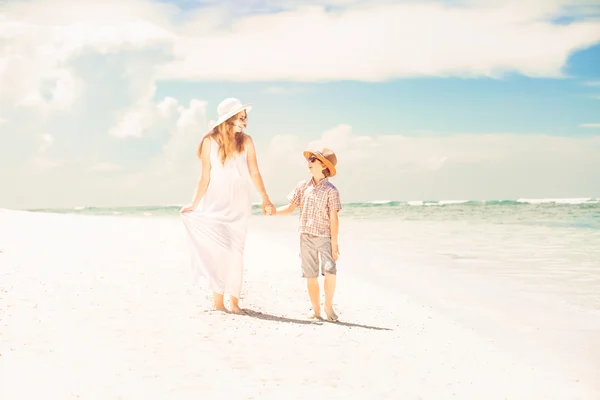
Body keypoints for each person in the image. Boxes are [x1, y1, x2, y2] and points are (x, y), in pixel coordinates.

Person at [180, 98, 275, 314]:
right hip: (215, 200)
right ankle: (218, 302)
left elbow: (254, 172)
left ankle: (234, 302)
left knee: (235, 251)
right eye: (241, 116)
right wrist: (194, 204)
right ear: (229, 118)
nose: (245, 120)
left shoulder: (247, 141)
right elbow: (204, 177)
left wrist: (265, 197)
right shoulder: (208, 142)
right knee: (218, 251)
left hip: (240, 201)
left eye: (245, 116)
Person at [273, 148, 342, 321]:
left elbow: (334, 218)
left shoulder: (331, 190)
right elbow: (290, 208)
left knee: (330, 270)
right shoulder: (302, 186)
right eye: (309, 159)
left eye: (312, 159)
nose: (308, 162)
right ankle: (316, 311)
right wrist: (272, 211)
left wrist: (335, 244)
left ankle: (328, 306)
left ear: (323, 165)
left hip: (324, 237)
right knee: (311, 275)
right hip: (306, 237)